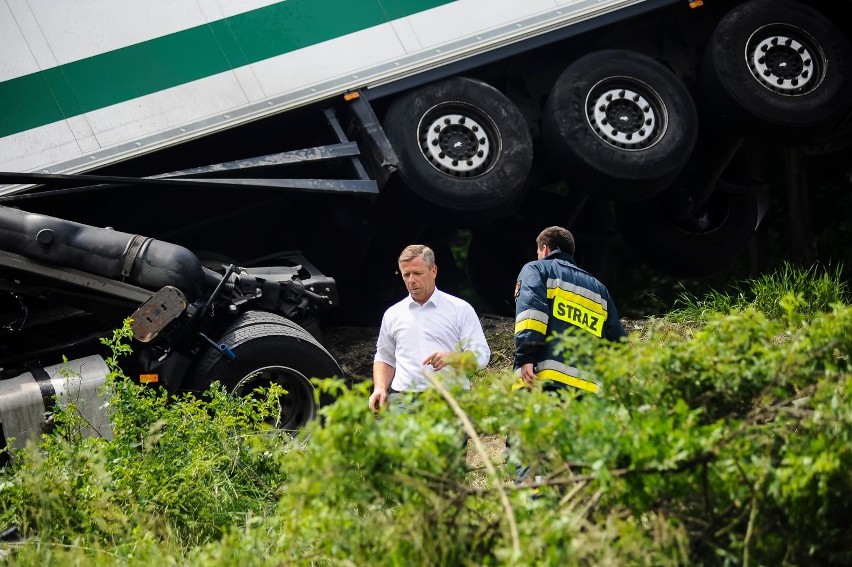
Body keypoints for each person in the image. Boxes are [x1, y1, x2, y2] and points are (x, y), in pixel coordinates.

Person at [369, 244, 490, 412]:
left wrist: (453, 358)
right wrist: (380, 388)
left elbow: (482, 354)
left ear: (434, 271)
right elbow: (385, 357)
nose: (411, 280)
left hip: (451, 398)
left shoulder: (460, 309)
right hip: (404, 399)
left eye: (418, 273)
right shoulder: (393, 314)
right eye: (406, 275)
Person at [513, 226, 626, 393]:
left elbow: (532, 315)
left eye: (538, 251)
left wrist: (526, 359)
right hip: (589, 392)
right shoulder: (600, 289)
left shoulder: (536, 269)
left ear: (544, 250)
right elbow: (618, 342)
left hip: (543, 382)